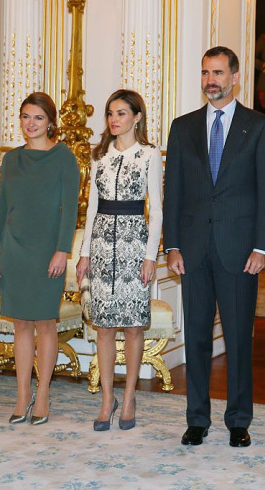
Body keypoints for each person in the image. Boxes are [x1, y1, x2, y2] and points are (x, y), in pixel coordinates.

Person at [163, 46, 265, 448]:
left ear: (235, 77)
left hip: (238, 251)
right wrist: (172, 245)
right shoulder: (182, 127)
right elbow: (172, 191)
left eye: (217, 72)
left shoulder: (259, 126)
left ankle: (238, 420)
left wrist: (263, 248)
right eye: (204, 72)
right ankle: (197, 418)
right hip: (192, 251)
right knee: (195, 335)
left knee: (237, 339)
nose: (210, 79)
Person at [0, 92, 79, 425]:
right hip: (13, 250)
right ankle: (22, 394)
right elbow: (1, 211)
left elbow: (70, 211)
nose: (31, 123)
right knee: (21, 324)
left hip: (47, 252)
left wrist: (61, 251)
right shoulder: (11, 159)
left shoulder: (64, 158)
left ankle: (42, 395)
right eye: (25, 116)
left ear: (50, 122)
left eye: (38, 117)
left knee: (44, 323)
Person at [75, 89, 163, 431]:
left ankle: (129, 399)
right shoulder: (100, 155)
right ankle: (106, 399)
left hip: (133, 246)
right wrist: (84, 253)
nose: (114, 119)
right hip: (100, 245)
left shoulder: (149, 155)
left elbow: (155, 210)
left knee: (132, 326)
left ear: (137, 117)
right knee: (105, 327)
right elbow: (91, 209)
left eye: (122, 113)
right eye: (111, 113)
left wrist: (149, 255)